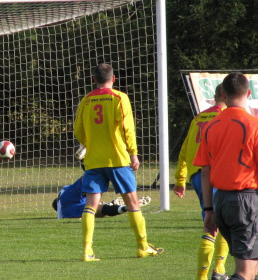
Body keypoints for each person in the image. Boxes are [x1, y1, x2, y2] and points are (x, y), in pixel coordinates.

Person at [73, 63, 163, 261]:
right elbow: (126, 127)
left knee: (90, 205)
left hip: (94, 159)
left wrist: (89, 144)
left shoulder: (86, 100)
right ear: (113, 79)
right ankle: (142, 247)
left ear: (93, 79)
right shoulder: (119, 98)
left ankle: (87, 250)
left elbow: (78, 129)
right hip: (118, 158)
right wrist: (133, 153)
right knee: (132, 202)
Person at [193, 73, 258, 280]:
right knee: (245, 272)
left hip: (221, 201)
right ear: (248, 93)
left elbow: (205, 170)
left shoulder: (211, 126)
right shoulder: (253, 125)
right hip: (246, 201)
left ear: (222, 93)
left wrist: (209, 210)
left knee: (252, 266)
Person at [174, 84, 229, 280]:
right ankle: (218, 269)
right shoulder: (226, 116)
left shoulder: (199, 117)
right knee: (223, 223)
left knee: (210, 222)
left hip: (197, 176)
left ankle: (203, 275)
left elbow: (184, 149)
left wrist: (180, 179)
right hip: (216, 172)